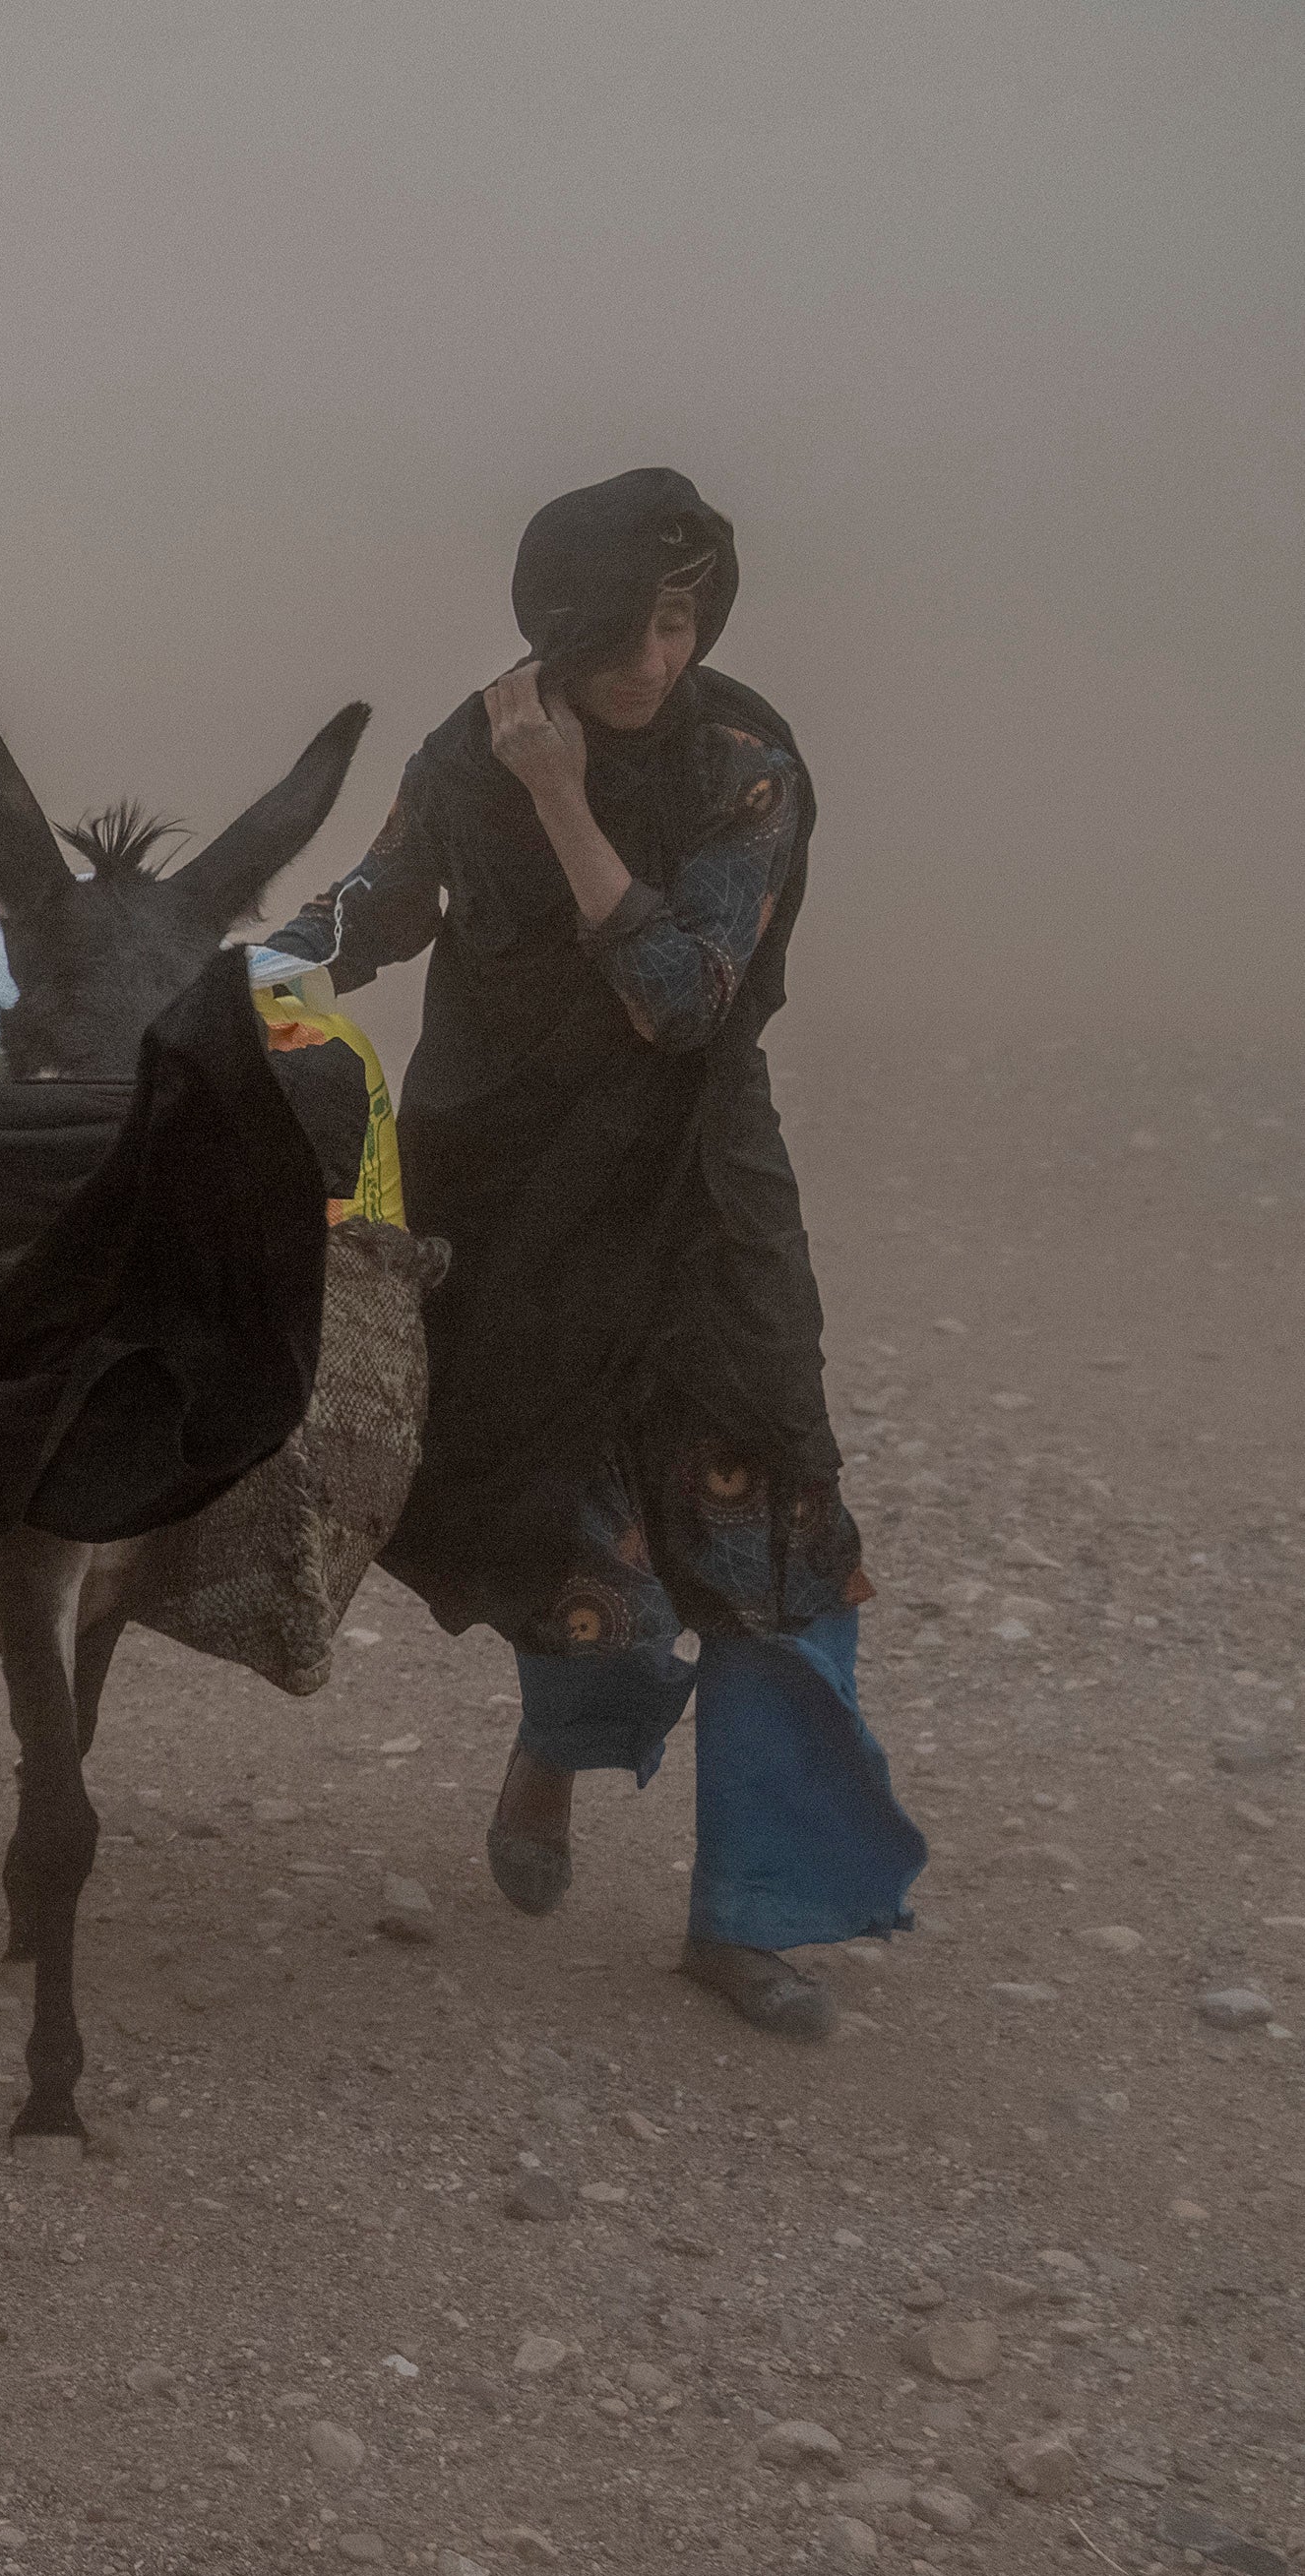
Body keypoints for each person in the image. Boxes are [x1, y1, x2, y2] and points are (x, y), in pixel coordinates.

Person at [265, 468, 923, 2037]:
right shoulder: (465, 745)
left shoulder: (745, 763)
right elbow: (381, 902)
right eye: (626, 629)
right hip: (512, 1191)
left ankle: (751, 1918)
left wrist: (563, 800)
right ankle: (557, 1751)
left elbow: (685, 998)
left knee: (769, 1534)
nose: (655, 661)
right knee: (569, 1521)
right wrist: (252, 960)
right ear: (559, 629)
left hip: (702, 1198)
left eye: (683, 622)